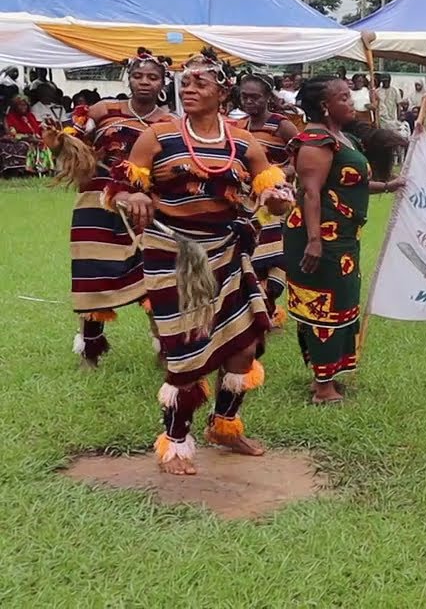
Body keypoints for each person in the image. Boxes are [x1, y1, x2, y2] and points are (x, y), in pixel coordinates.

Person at [111, 49, 294, 476]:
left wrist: (275, 198)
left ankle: (225, 426)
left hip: (227, 251)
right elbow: (119, 187)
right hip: (172, 255)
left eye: (200, 84)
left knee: (244, 345)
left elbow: (269, 190)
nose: (189, 90)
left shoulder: (243, 142)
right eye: (185, 83)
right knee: (189, 352)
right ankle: (175, 443)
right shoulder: (158, 135)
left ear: (222, 91)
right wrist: (134, 195)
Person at [46, 49, 176, 367]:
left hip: (145, 207)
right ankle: (91, 352)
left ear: (163, 82)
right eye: (138, 75)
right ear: (128, 79)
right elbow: (73, 143)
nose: (144, 82)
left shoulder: (170, 121)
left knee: (155, 276)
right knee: (94, 275)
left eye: (152, 77)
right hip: (96, 203)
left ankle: (166, 349)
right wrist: (58, 142)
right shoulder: (105, 109)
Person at [285, 77, 404, 404]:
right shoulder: (315, 140)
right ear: (325, 106)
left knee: (342, 301)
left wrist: (392, 185)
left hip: (344, 236)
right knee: (324, 306)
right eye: (344, 98)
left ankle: (327, 374)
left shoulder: (345, 138)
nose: (353, 103)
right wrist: (314, 240)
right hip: (321, 237)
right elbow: (311, 191)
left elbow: (352, 184)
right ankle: (323, 388)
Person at [238, 73, 299, 323]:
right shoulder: (238, 126)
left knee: (268, 253)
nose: (250, 102)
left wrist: (276, 175)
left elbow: (300, 158)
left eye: (255, 97)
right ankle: (254, 307)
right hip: (246, 198)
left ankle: (268, 307)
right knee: (248, 252)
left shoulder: (281, 125)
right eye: (245, 97)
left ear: (267, 98)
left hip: (275, 198)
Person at [4, 95, 53, 174]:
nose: (23, 107)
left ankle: (45, 168)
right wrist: (28, 137)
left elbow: (36, 128)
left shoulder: (30, 116)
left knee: (47, 142)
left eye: (25, 105)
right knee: (33, 144)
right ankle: (32, 169)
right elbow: (12, 132)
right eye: (20, 105)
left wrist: (43, 127)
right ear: (15, 106)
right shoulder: (10, 117)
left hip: (34, 137)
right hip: (21, 138)